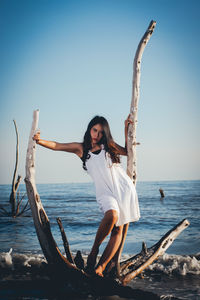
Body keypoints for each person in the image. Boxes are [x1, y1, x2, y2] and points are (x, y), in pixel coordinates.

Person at [33, 115, 140, 277]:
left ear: (105, 134)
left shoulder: (108, 145)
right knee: (112, 215)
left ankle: (100, 267)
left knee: (118, 230)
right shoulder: (81, 149)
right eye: (94, 130)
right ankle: (94, 249)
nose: (96, 135)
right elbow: (58, 146)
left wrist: (126, 128)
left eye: (100, 132)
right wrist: (40, 141)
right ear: (89, 129)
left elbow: (126, 151)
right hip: (105, 192)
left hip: (123, 189)